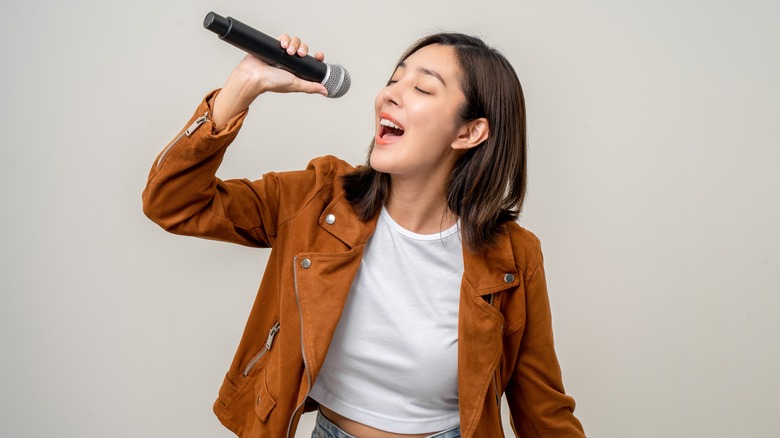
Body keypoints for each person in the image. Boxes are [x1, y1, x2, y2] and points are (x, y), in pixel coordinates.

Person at [143, 31, 585, 438]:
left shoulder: (513, 257)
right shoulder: (315, 199)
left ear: (470, 132)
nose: (389, 94)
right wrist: (242, 87)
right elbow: (173, 203)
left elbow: (542, 410)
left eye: (422, 88)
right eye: (394, 79)